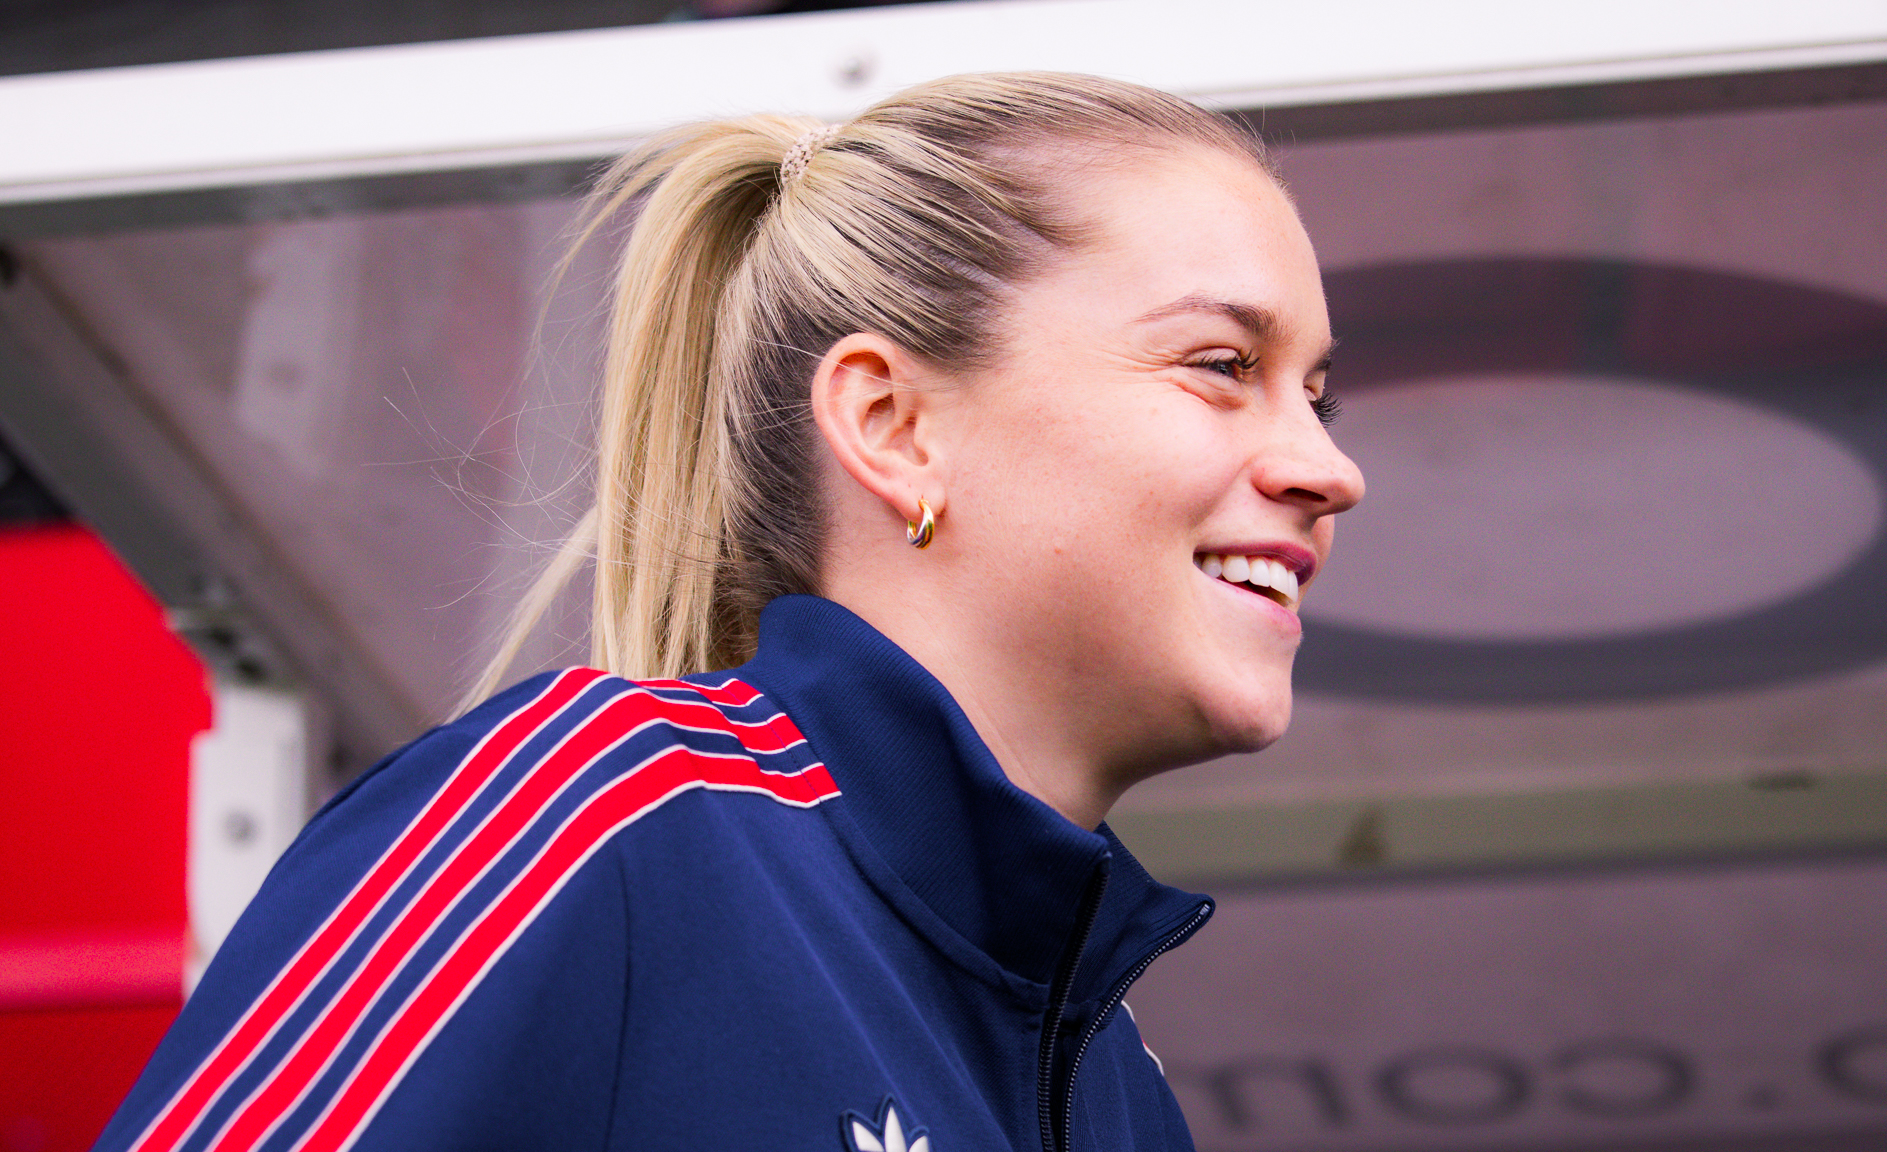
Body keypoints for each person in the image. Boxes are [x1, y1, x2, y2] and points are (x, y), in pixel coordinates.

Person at [95, 71, 1363, 1152]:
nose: (1328, 469)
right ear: (892, 425)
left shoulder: (1116, 1089)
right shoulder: (606, 811)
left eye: (1317, 397)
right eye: (1221, 366)